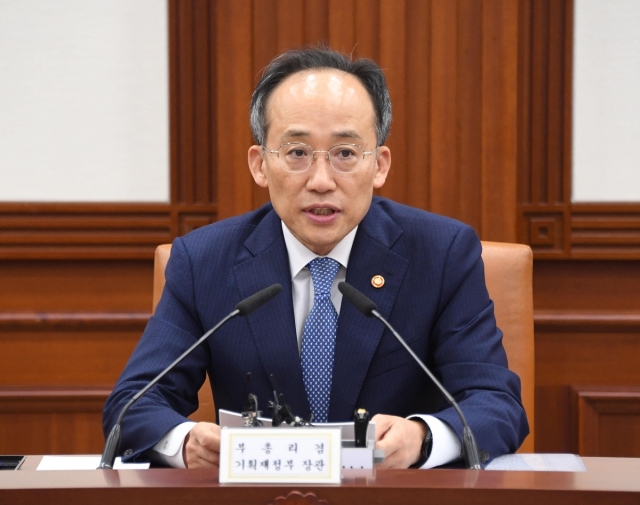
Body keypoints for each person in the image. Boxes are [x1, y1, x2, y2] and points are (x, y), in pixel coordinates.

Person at [103, 46, 528, 470]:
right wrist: (184, 442)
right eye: (297, 153)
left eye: (345, 153)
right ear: (260, 165)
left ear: (379, 165)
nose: (321, 181)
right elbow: (132, 405)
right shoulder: (204, 261)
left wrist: (422, 438)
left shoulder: (441, 254)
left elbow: (496, 404)